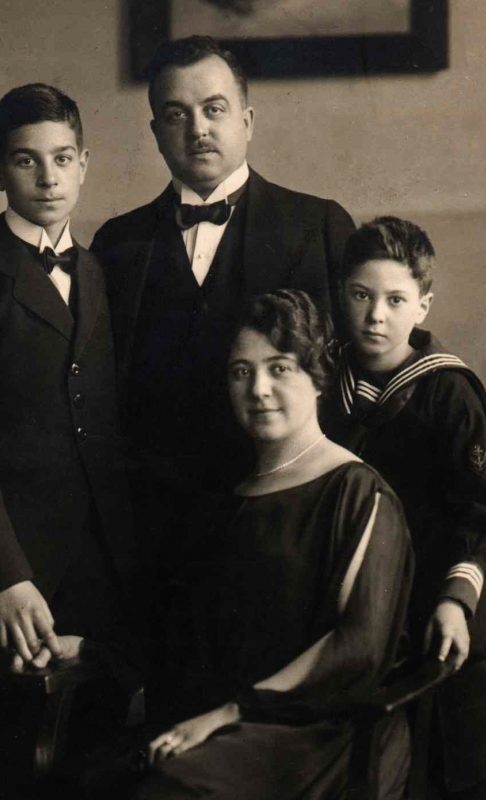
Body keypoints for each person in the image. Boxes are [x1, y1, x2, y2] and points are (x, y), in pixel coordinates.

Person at [91, 36, 355, 663]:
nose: (198, 129)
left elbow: (349, 387)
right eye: (176, 114)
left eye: (214, 109)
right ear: (156, 133)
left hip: (286, 527)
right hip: (162, 541)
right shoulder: (118, 245)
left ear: (247, 120)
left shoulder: (318, 226)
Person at [0, 83, 138, 799]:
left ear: (84, 165)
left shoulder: (100, 273)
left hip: (98, 572)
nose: (47, 178)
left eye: (62, 158)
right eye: (25, 160)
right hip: (5, 574)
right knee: (0, 770)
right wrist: (4, 578)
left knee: (97, 766)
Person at [124, 290, 414, 800]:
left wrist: (230, 712)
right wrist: (94, 650)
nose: (258, 389)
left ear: (318, 377)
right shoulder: (227, 498)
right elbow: (183, 633)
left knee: (168, 791)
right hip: (219, 723)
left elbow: (358, 647)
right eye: (241, 372)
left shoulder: (356, 492)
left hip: (319, 732)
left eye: (279, 368)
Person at [323, 217, 486, 800]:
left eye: (395, 300)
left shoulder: (448, 391)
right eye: (361, 295)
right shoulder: (324, 383)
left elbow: (481, 512)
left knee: (451, 771)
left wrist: (455, 600)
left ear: (423, 305)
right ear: (342, 295)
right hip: (358, 604)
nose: (375, 316)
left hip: (440, 597)